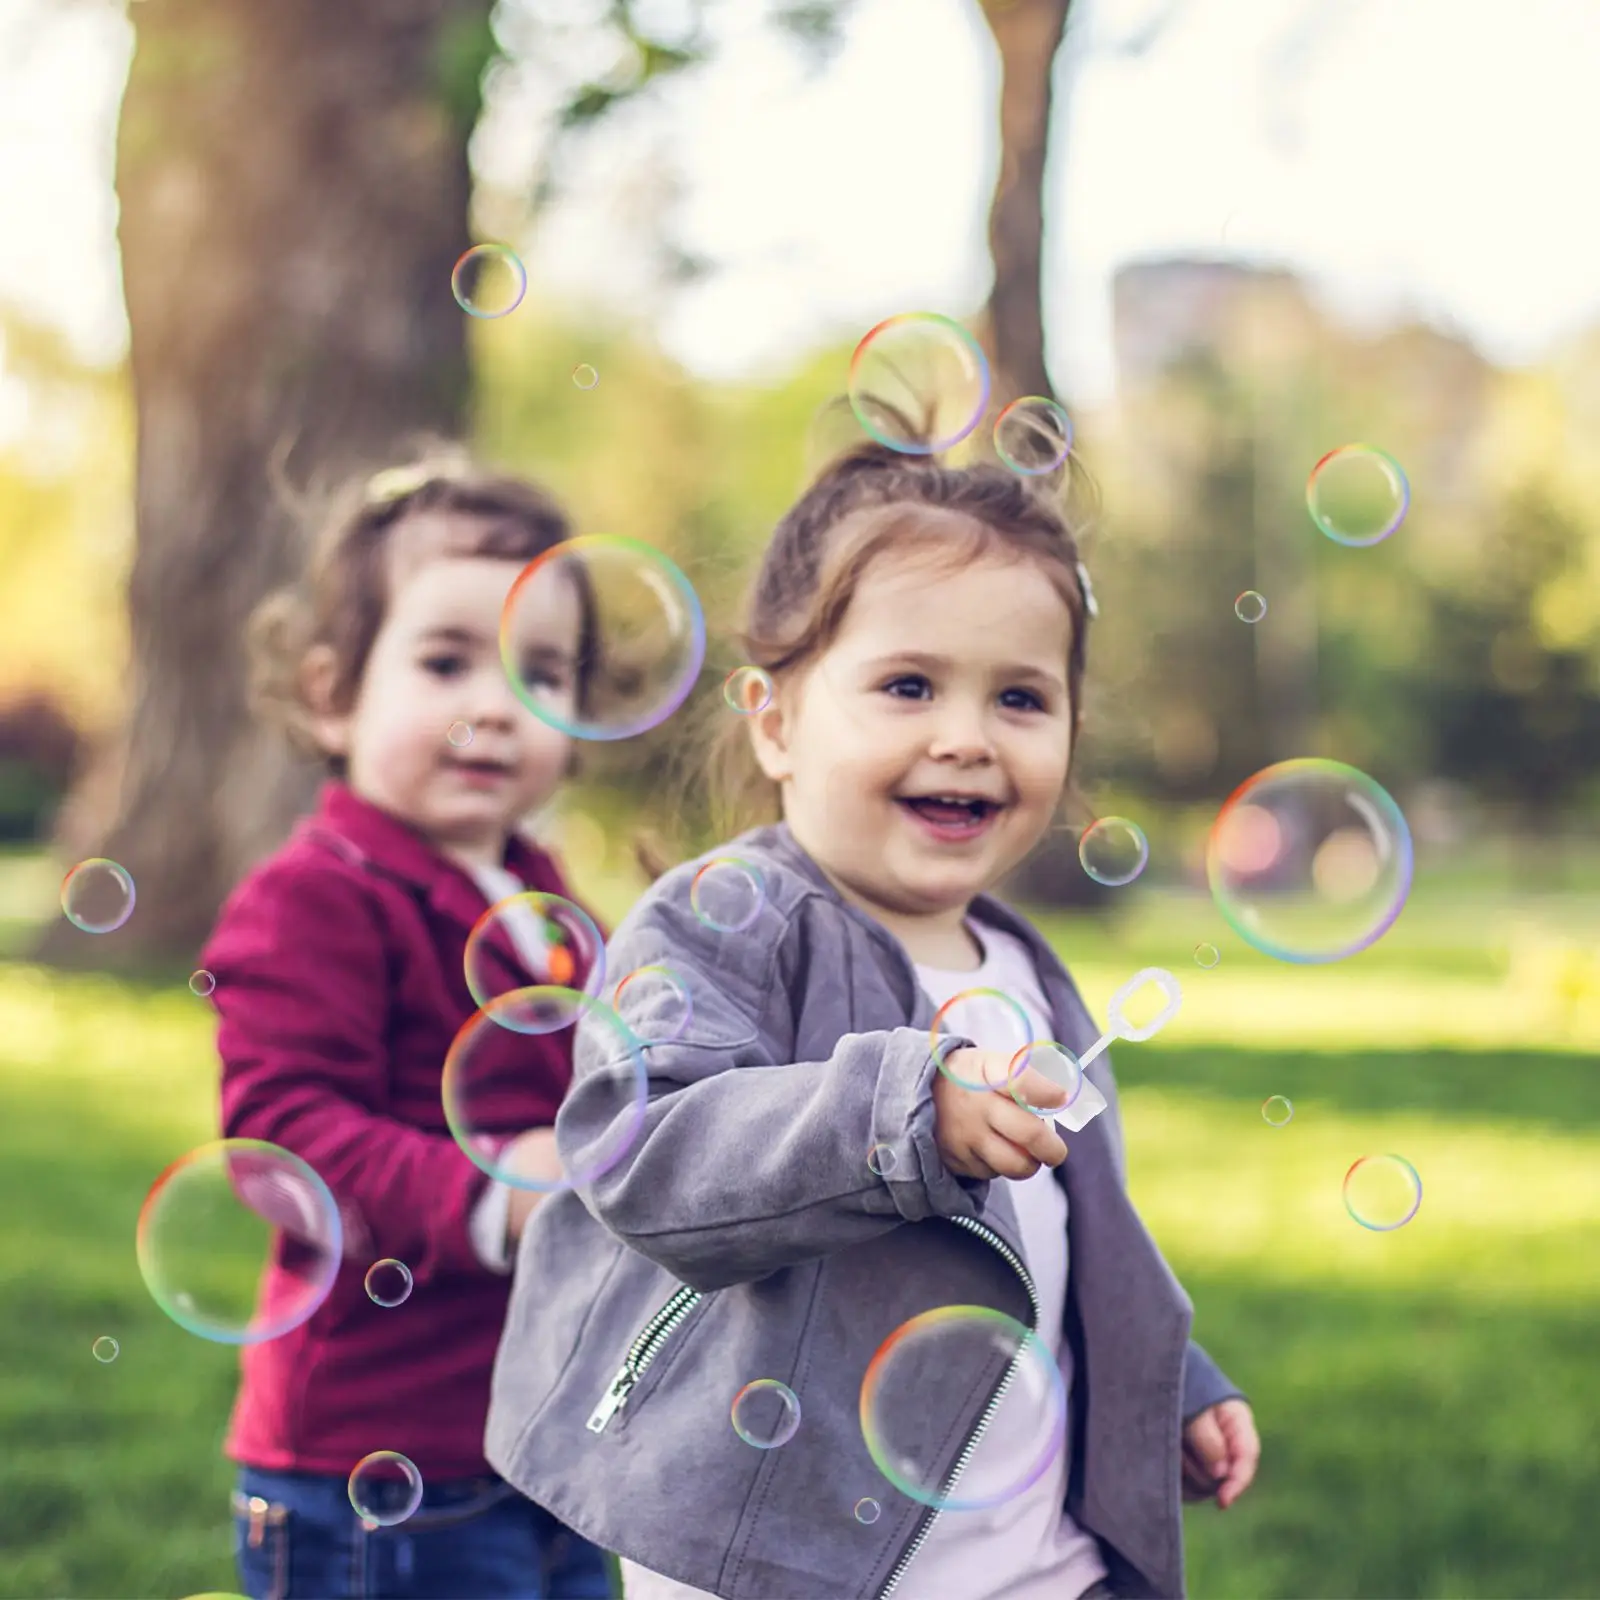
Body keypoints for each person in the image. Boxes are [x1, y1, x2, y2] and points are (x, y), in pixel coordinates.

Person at [483, 409, 1260, 1600]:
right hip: (777, 1555)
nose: (967, 737)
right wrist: (901, 1113)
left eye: (1020, 698)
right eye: (908, 685)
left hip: (1032, 1564)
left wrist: (1165, 1379)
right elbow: (643, 1150)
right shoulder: (727, 925)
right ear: (775, 722)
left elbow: (1065, 1234)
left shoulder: (1024, 964)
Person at [200, 446, 616, 1600]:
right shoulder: (315, 895)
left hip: (542, 1432)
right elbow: (280, 1131)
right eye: (445, 661)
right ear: (333, 694)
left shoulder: (544, 895)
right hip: (376, 1464)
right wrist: (490, 1193)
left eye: (541, 672)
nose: (494, 705)